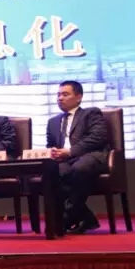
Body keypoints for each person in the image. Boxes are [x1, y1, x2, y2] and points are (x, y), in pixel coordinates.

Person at [46, 80, 109, 233]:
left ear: (78, 97)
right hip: (65, 160)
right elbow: (50, 144)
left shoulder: (91, 113)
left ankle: (67, 215)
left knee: (80, 168)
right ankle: (86, 217)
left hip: (90, 155)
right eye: (58, 95)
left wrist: (70, 151)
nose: (60, 98)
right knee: (54, 173)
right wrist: (53, 151)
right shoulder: (53, 122)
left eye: (65, 94)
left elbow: (98, 137)